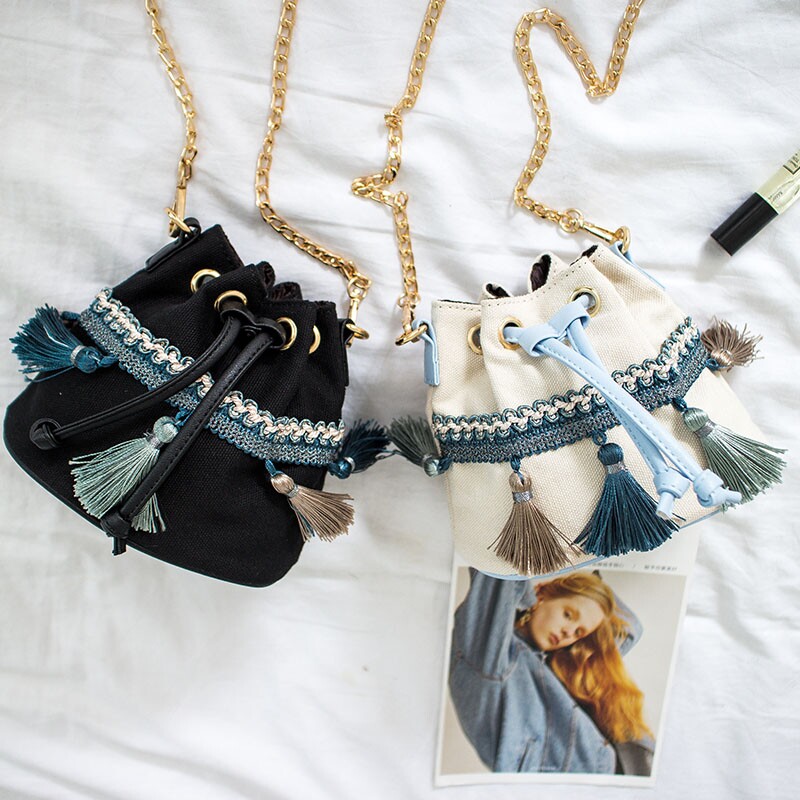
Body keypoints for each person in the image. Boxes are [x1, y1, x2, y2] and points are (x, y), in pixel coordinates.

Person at [449, 569, 654, 775]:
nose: (568, 632)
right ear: (541, 594)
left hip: (629, 762)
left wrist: (593, 587)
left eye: (578, 633)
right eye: (568, 615)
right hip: (590, 781)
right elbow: (499, 568)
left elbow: (630, 630)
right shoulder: (491, 649)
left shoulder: (552, 662)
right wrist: (526, 600)